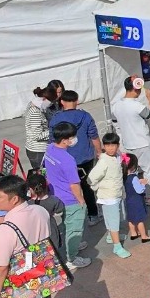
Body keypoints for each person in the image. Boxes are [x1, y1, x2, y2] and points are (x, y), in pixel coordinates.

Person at [48, 90, 102, 224]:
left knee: (67, 187)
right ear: (76, 101)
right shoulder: (85, 116)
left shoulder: (55, 118)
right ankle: (93, 214)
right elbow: (94, 136)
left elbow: (51, 139)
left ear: (62, 102)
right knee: (87, 186)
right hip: (85, 158)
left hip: (63, 158)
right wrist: (99, 152)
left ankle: (70, 215)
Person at [44, 122, 91, 270]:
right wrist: (81, 200)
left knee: (67, 223)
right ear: (64, 140)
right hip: (70, 199)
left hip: (56, 195)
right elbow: (74, 184)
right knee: (75, 227)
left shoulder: (50, 149)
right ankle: (72, 257)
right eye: (72, 137)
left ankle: (73, 242)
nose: (74, 139)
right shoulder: (68, 160)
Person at [87, 132, 130, 259]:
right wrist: (97, 188)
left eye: (114, 145)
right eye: (108, 145)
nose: (111, 148)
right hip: (109, 196)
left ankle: (111, 236)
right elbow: (91, 178)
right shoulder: (104, 161)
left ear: (118, 145)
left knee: (116, 217)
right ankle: (117, 246)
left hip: (117, 193)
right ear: (104, 146)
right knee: (113, 221)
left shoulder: (117, 156)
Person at [112, 75, 150, 177]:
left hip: (127, 144)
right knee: (149, 172)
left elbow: (115, 124)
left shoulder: (116, 106)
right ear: (136, 88)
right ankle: (148, 192)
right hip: (142, 143)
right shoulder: (137, 106)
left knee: (131, 172)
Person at [121, 153, 150, 243]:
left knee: (131, 218)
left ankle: (133, 233)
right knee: (140, 219)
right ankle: (144, 236)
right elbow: (139, 190)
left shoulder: (124, 177)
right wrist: (143, 184)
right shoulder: (134, 178)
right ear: (134, 166)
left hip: (128, 200)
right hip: (137, 201)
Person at [27, 172, 64, 251]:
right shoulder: (53, 200)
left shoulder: (28, 204)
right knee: (53, 249)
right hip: (50, 228)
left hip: (35, 231)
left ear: (31, 189)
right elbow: (59, 212)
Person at [23, 86, 54, 169]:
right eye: (50, 102)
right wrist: (53, 131)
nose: (50, 105)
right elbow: (37, 135)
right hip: (38, 151)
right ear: (44, 99)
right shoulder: (35, 113)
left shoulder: (34, 105)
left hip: (37, 150)